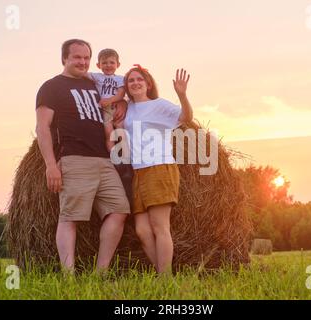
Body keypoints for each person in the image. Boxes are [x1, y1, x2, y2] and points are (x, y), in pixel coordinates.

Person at [35, 39, 131, 274]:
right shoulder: (51, 87)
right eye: (77, 57)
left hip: (104, 159)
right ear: (64, 59)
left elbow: (115, 93)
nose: (83, 62)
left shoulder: (93, 83)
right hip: (74, 158)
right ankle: (68, 276)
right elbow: (42, 127)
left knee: (120, 210)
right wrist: (50, 165)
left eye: (86, 58)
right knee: (70, 217)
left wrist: (122, 105)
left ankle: (101, 272)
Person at [122, 65, 193, 273]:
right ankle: (163, 275)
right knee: (142, 231)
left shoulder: (159, 105)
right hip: (138, 171)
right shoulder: (128, 108)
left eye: (139, 80)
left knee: (160, 227)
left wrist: (182, 95)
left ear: (148, 84)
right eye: (131, 81)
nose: (135, 83)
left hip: (159, 167)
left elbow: (185, 117)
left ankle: (165, 279)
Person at [86, 48, 133, 204]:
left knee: (120, 129)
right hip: (104, 111)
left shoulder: (120, 78)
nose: (108, 65)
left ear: (118, 64)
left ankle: (126, 158)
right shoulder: (97, 77)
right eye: (104, 62)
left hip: (113, 106)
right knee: (108, 133)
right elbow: (83, 74)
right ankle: (114, 158)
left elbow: (120, 94)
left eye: (111, 62)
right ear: (98, 65)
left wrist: (111, 100)